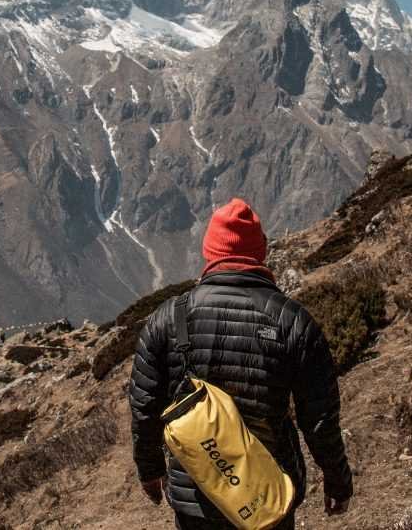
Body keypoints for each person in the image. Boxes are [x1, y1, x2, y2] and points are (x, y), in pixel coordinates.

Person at [128, 198, 354, 529]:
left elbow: (144, 405)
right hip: (266, 491)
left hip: (196, 490)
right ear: (259, 252)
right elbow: (319, 418)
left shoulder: (168, 318)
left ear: (209, 252)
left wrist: (150, 470)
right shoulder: (291, 321)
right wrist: (337, 480)